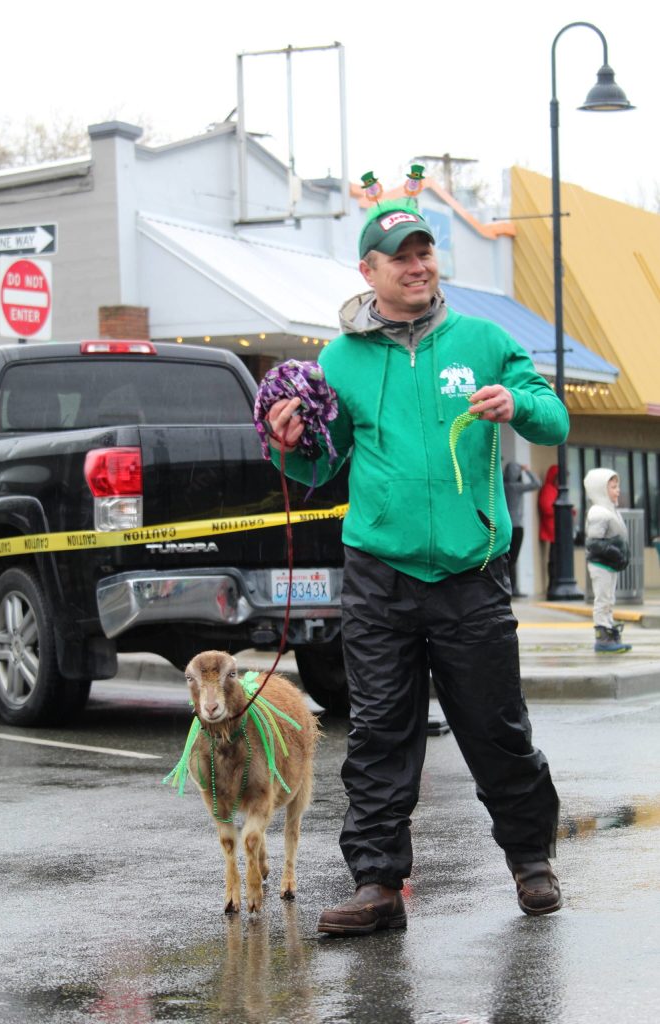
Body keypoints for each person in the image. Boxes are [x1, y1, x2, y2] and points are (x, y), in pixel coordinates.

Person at [265, 199, 568, 935]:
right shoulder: (339, 358)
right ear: (369, 271)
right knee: (378, 730)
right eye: (399, 255)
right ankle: (376, 884)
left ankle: (529, 860)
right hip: (378, 573)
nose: (416, 265)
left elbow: (552, 417)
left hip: (470, 572)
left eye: (424, 251)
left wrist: (517, 406)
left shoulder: (484, 339)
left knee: (494, 727)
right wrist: (286, 440)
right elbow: (319, 460)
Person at [583, 468, 631, 653]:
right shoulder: (598, 512)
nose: (617, 490)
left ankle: (609, 633)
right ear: (600, 489)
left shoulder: (609, 509)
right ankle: (603, 638)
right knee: (603, 600)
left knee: (609, 599)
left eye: (617, 486)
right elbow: (594, 543)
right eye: (613, 487)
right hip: (601, 565)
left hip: (609, 565)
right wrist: (615, 553)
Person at [503, 462, 540, 596]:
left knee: (506, 558)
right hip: (517, 527)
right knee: (513, 560)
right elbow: (536, 483)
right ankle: (514, 589)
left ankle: (507, 588)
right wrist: (527, 470)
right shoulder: (516, 487)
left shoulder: (502, 486)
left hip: (505, 526)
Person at [538, 464, 559, 595]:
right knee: (553, 560)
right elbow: (546, 508)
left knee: (557, 560)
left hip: (557, 530)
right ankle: (552, 585)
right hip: (552, 530)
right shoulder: (548, 489)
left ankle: (555, 583)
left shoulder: (556, 490)